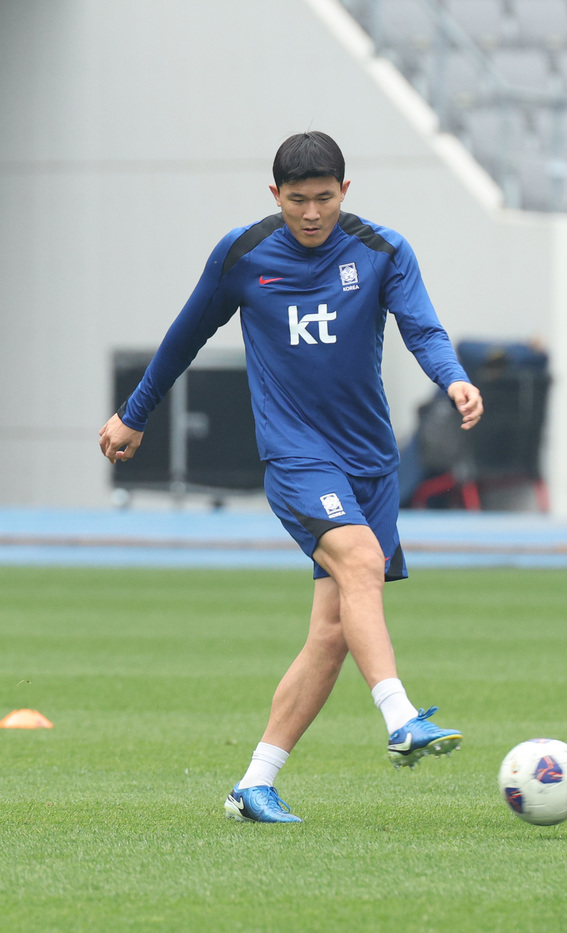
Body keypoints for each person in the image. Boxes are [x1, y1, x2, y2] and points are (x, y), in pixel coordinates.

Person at [98, 132, 483, 824]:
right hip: (298, 457)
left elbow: (422, 329)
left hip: (371, 464)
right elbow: (184, 335)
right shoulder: (242, 255)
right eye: (298, 200)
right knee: (360, 560)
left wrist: (452, 379)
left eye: (325, 198)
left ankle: (254, 783)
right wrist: (134, 415)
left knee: (333, 632)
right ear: (274, 197)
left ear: (346, 190)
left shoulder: (381, 250)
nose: (312, 213)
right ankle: (401, 716)